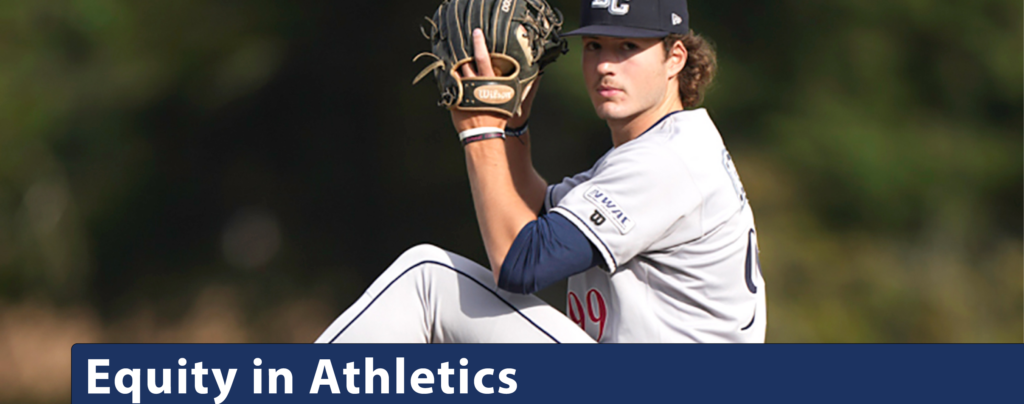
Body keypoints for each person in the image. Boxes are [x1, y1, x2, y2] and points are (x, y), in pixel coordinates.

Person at [315, 0, 766, 343]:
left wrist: (480, 131)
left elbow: (520, 263)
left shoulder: (667, 161)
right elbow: (533, 210)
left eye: (628, 46)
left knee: (426, 277)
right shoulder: (662, 148)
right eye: (595, 46)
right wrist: (511, 129)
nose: (606, 65)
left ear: (676, 58)